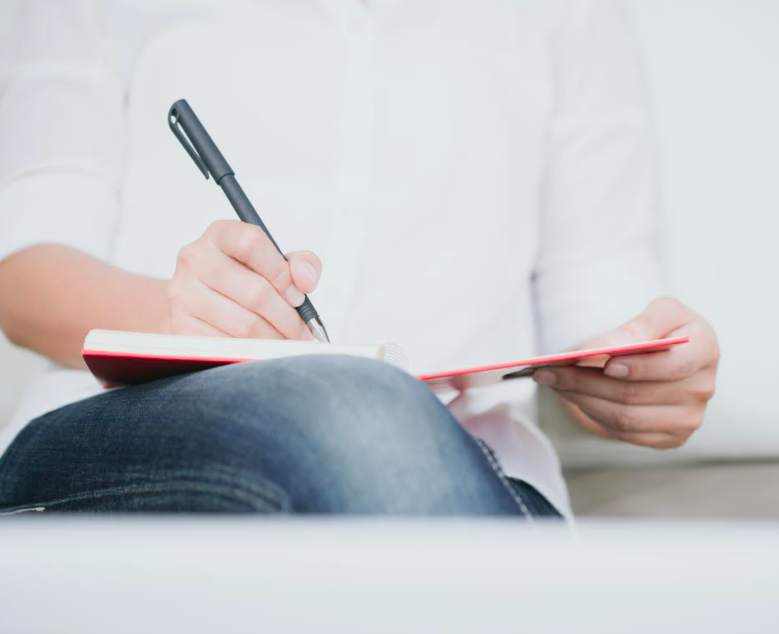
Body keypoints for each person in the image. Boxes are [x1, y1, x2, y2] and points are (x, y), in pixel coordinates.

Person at [0, 0, 719, 517]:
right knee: (360, 402)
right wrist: (171, 315)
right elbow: (23, 274)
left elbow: (597, 293)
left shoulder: (570, 15)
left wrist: (640, 372)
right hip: (129, 433)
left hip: (473, 465)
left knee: (375, 413)